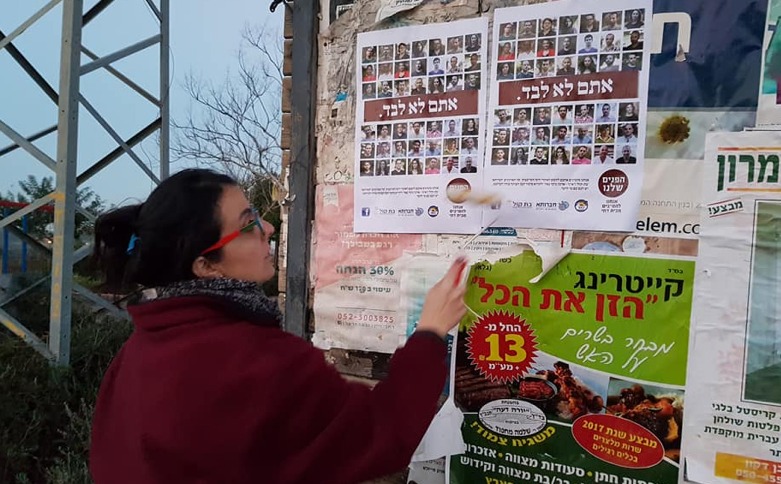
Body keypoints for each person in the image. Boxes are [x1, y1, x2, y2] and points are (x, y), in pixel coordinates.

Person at [89, 169, 468, 484]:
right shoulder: (258, 360)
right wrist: (430, 332)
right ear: (206, 265)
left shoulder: (138, 350)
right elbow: (381, 432)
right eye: (248, 223)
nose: (268, 227)